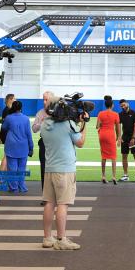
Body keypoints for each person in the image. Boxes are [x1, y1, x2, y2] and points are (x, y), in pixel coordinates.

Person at [40, 101, 87, 250]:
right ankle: (61, 239)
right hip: (65, 169)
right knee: (62, 204)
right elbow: (80, 142)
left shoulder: (44, 125)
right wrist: (84, 125)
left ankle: (47, 237)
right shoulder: (68, 125)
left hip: (49, 168)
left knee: (49, 203)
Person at [2, 101, 33, 193]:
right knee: (21, 168)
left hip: (11, 146)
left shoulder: (9, 118)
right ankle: (22, 186)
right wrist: (31, 147)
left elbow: (4, 128)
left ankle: (13, 187)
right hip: (23, 146)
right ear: (21, 108)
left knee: (12, 168)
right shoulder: (26, 119)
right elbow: (29, 134)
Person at [32, 91, 56, 201]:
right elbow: (34, 129)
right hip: (44, 143)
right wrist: (42, 123)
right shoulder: (40, 113)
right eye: (43, 99)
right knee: (44, 170)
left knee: (56, 171)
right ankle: (46, 197)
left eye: (46, 99)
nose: (44, 101)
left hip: (56, 145)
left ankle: (56, 195)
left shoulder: (58, 112)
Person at [96, 96, 121, 184]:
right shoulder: (115, 114)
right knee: (113, 157)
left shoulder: (100, 113)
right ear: (112, 105)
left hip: (102, 135)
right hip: (110, 135)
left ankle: (103, 176)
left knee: (104, 156)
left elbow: (97, 126)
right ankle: (114, 176)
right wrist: (118, 138)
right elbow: (118, 128)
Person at [118, 99, 135, 182]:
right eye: (121, 106)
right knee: (124, 156)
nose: (123, 107)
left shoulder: (134, 113)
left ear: (127, 104)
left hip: (133, 137)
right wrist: (119, 137)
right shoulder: (120, 114)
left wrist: (133, 138)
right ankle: (125, 175)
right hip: (124, 138)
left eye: (124, 105)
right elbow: (119, 126)